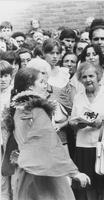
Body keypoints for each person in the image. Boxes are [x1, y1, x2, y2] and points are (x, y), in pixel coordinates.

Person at [1, 67, 91, 200]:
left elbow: (13, 142)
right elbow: (50, 142)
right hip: (45, 174)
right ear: (30, 86)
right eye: (42, 82)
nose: (46, 86)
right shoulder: (37, 109)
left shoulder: (17, 109)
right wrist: (73, 172)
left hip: (25, 173)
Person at [70, 62, 104, 200]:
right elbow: (73, 120)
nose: (88, 80)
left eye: (91, 76)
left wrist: (103, 122)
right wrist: (77, 124)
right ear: (80, 79)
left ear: (98, 76)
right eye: (84, 77)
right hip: (84, 146)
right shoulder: (78, 97)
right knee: (89, 187)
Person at [0, 60, 13, 200]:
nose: (2, 79)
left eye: (5, 76)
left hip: (10, 139)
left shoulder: (14, 94)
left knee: (13, 175)